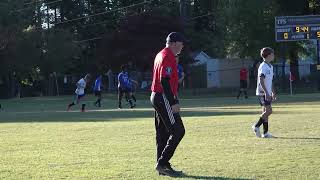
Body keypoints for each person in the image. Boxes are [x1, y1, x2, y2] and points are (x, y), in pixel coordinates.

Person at [150, 32, 185, 177]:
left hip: (157, 96)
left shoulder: (161, 54)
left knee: (162, 133)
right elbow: (164, 80)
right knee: (178, 131)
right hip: (163, 96)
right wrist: (173, 102)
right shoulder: (167, 56)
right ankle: (162, 163)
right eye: (181, 44)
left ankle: (163, 167)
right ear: (175, 43)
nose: (182, 47)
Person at [252, 47, 276, 138]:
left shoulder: (270, 66)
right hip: (262, 92)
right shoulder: (263, 66)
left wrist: (273, 92)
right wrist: (266, 92)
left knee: (265, 112)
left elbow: (270, 80)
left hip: (267, 92)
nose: (274, 56)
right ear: (269, 55)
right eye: (273, 54)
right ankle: (256, 126)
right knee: (269, 111)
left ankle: (265, 133)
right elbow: (261, 80)